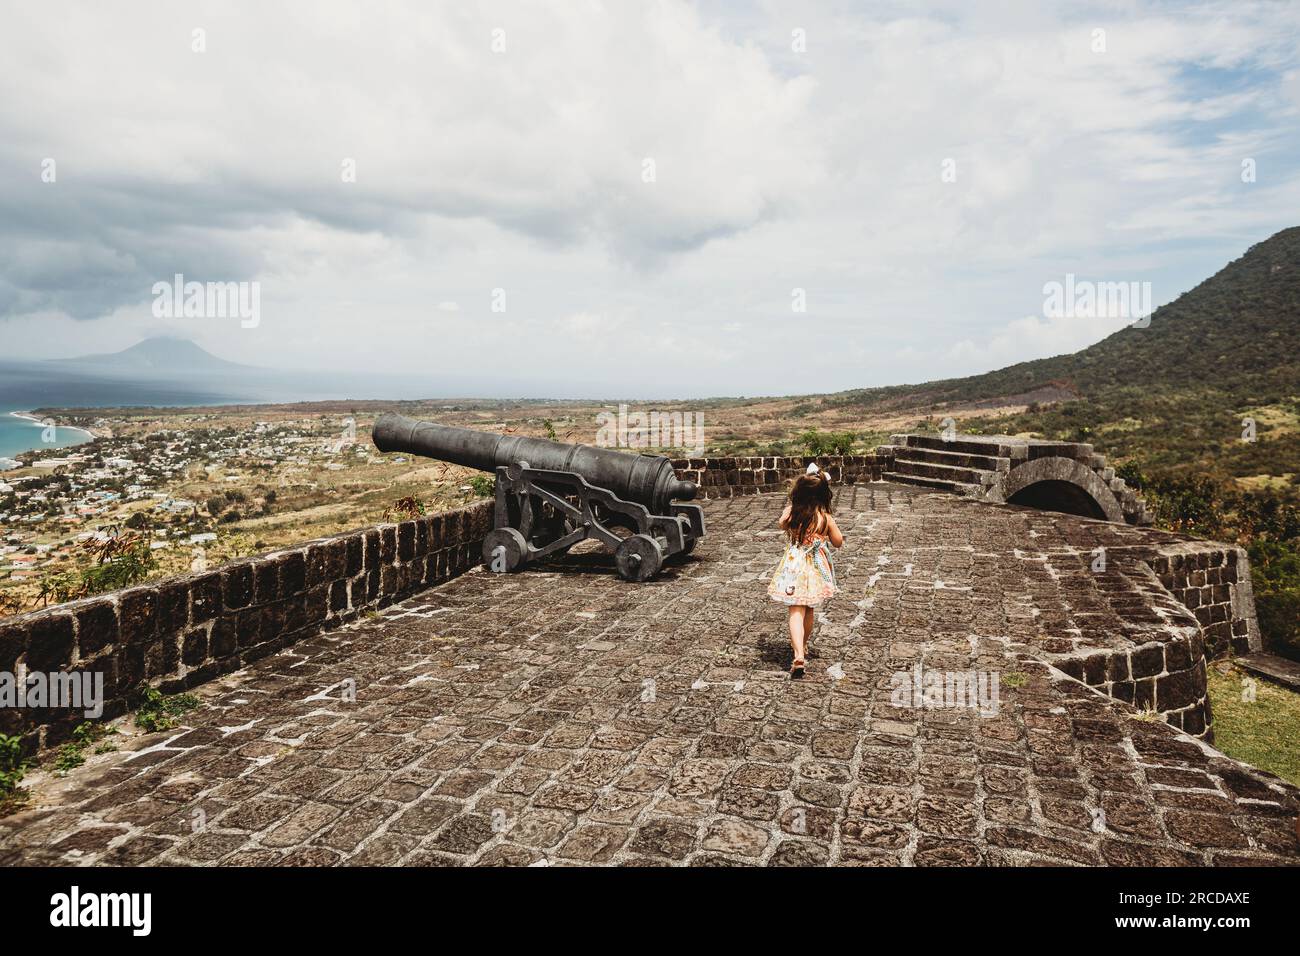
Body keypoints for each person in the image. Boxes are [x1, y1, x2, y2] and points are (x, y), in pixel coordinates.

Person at [767, 463, 843, 678]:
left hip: (793, 567)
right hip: (814, 570)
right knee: (808, 609)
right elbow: (838, 542)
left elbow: (782, 524)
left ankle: (798, 652)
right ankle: (803, 647)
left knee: (795, 610)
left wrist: (792, 509)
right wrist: (824, 534)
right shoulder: (825, 518)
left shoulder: (793, 514)